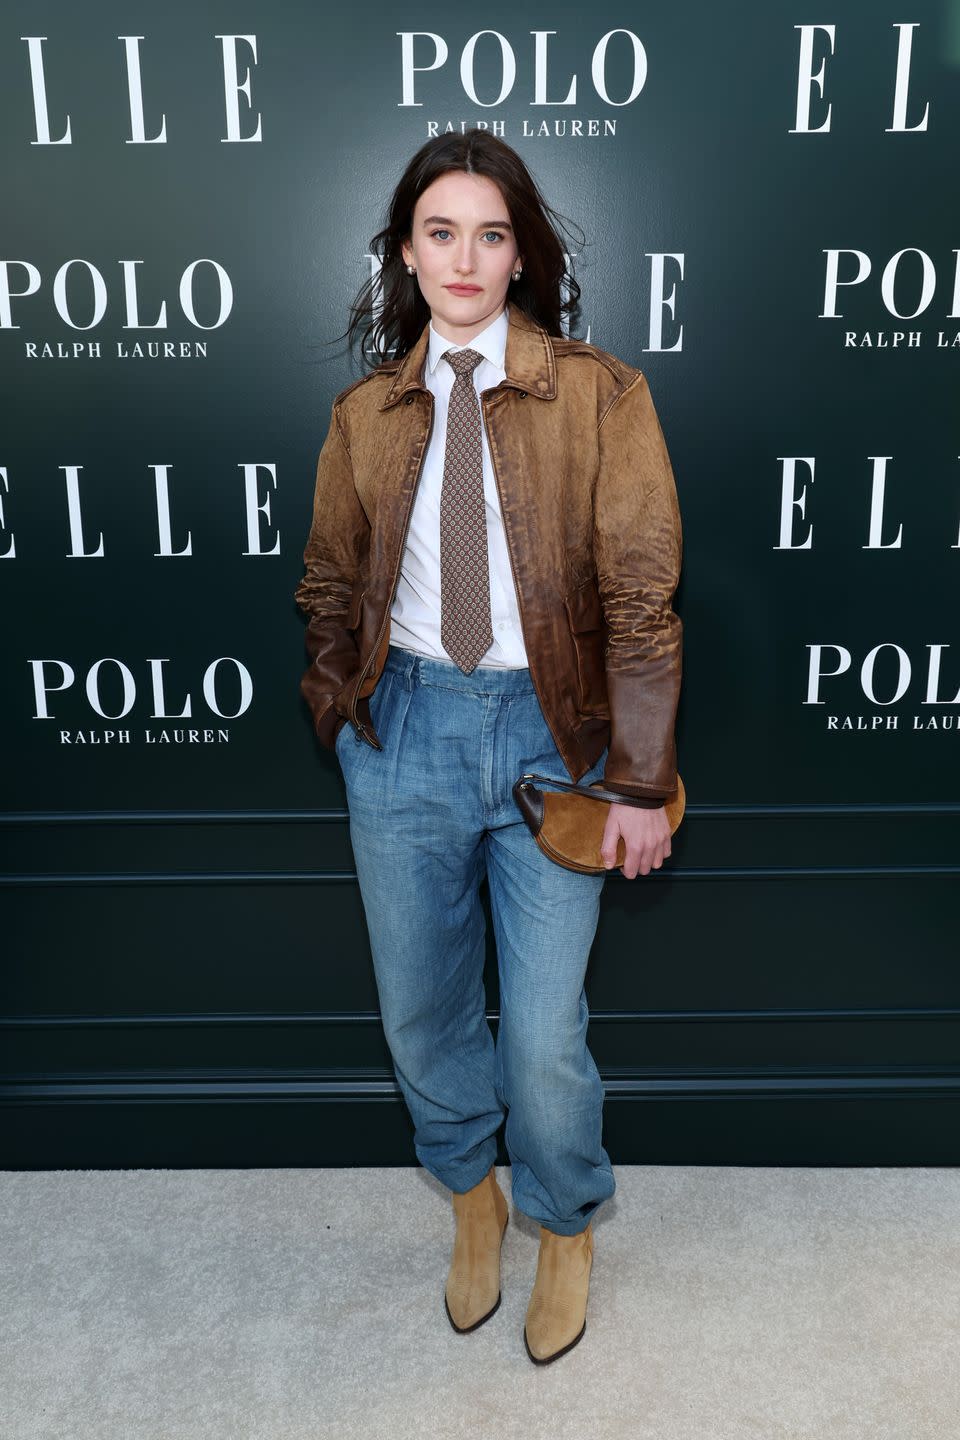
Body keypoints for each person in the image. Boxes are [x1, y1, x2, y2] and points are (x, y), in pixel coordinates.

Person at [294, 131, 683, 1365]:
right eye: (441, 232)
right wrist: (342, 711)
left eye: (492, 232)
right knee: (419, 1013)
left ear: (523, 255)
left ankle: (564, 1220)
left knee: (540, 1034)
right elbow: (327, 580)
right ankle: (475, 1198)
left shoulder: (604, 394)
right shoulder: (365, 413)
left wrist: (637, 778)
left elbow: (640, 600)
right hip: (402, 728)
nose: (466, 257)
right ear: (406, 254)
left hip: (552, 738)